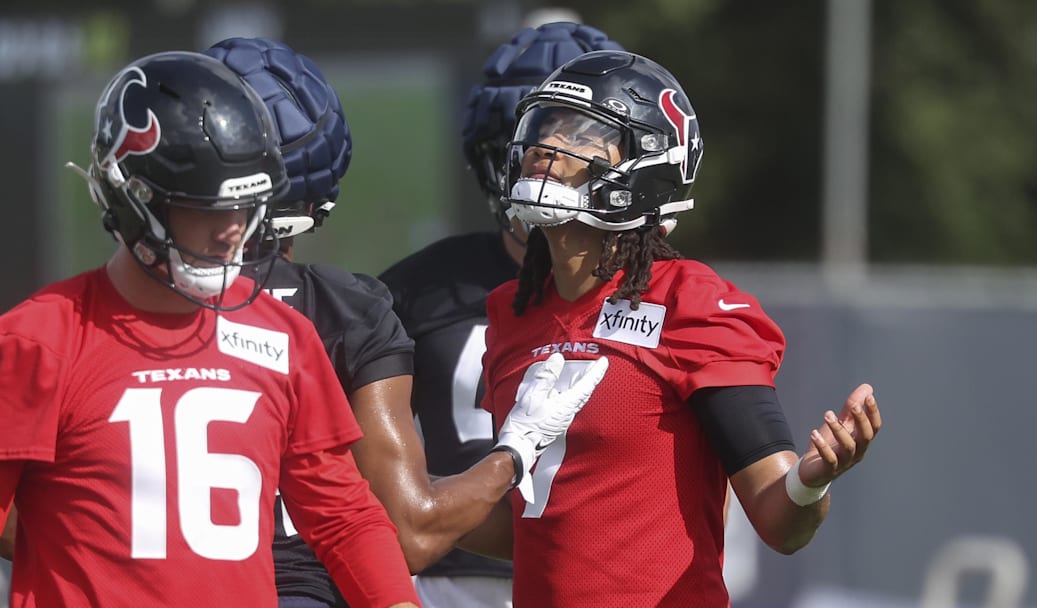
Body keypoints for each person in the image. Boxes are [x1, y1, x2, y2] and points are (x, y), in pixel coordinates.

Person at [0, 50, 419, 607]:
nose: (232, 232)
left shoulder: (285, 337)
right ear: (134, 197)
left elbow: (342, 515)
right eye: (208, 208)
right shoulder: (38, 341)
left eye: (245, 208)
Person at [202, 37, 607, 607]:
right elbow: (404, 527)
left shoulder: (85, 316)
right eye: (526, 148)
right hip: (423, 578)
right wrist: (514, 454)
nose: (546, 169)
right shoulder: (359, 305)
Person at [480, 49, 885, 607]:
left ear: (646, 164)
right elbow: (528, 519)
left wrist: (811, 480)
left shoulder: (690, 303)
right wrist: (393, 510)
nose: (546, 148)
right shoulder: (511, 311)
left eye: (581, 134)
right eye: (545, 128)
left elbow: (779, 521)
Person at [378, 22, 623, 607]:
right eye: (528, 149)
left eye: (578, 150)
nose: (546, 171)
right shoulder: (415, 289)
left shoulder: (669, 292)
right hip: (449, 579)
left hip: (605, 573)